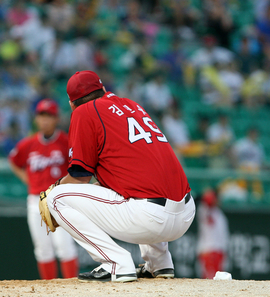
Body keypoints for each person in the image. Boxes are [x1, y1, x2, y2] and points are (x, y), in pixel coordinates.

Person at [43, 70, 195, 283]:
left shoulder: (84, 111)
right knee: (133, 182)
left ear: (71, 103)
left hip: (150, 217)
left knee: (56, 198)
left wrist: (54, 187)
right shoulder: (132, 105)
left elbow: (80, 178)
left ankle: (115, 263)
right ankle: (159, 263)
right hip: (186, 211)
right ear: (104, 89)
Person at [9, 99, 79, 280]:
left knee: (64, 246)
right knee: (42, 249)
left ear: (56, 119)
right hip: (35, 199)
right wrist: (27, 178)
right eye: (42, 116)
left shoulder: (66, 140)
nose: (45, 120)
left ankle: (72, 289)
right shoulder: (28, 144)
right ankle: (49, 289)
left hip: (60, 199)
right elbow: (14, 161)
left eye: (49, 116)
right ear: (36, 119)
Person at [197, 189, 229, 279]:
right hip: (209, 249)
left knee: (219, 279)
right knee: (208, 278)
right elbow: (208, 201)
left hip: (219, 250)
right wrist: (207, 196)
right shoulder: (204, 210)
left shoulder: (218, 212)